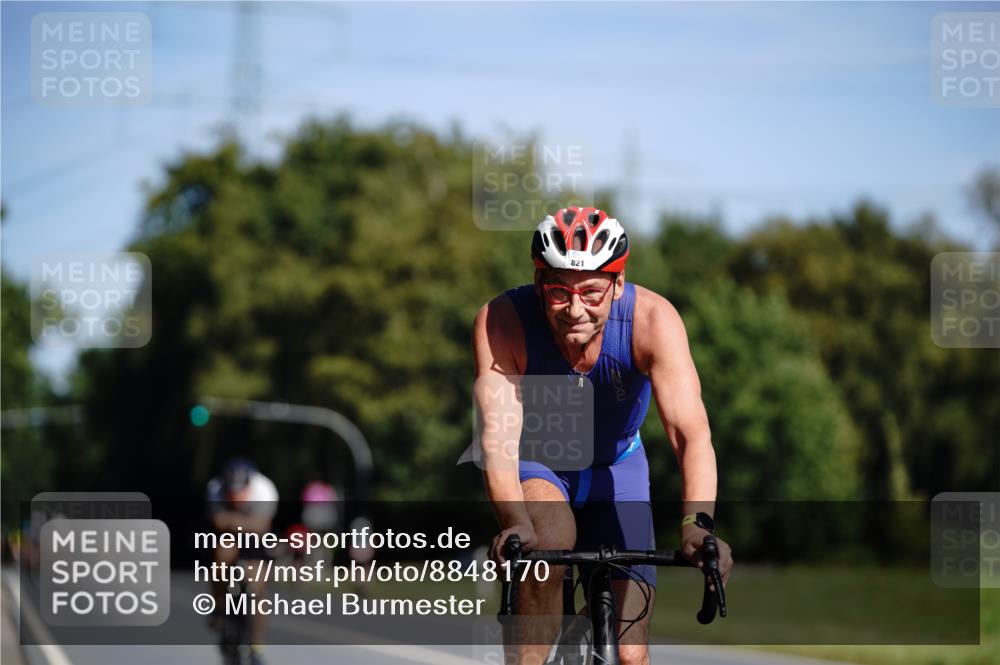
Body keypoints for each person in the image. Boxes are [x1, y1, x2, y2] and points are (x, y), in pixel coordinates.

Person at [473, 207, 734, 665]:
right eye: (559, 292)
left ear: (617, 283)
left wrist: (698, 525)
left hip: (619, 467)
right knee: (548, 538)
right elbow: (497, 436)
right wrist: (515, 520)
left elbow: (690, 434)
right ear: (538, 284)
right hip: (540, 461)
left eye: (591, 292)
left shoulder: (653, 321)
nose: (575, 310)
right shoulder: (502, 320)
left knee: (631, 653)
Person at [205, 457, 279, 665]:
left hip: (256, 538)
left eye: (241, 492)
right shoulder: (215, 488)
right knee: (221, 556)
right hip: (230, 535)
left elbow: (262, 527)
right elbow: (218, 522)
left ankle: (256, 645)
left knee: (258, 587)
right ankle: (219, 606)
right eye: (232, 493)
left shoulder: (264, 489)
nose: (236, 498)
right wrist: (243, 522)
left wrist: (233, 520)